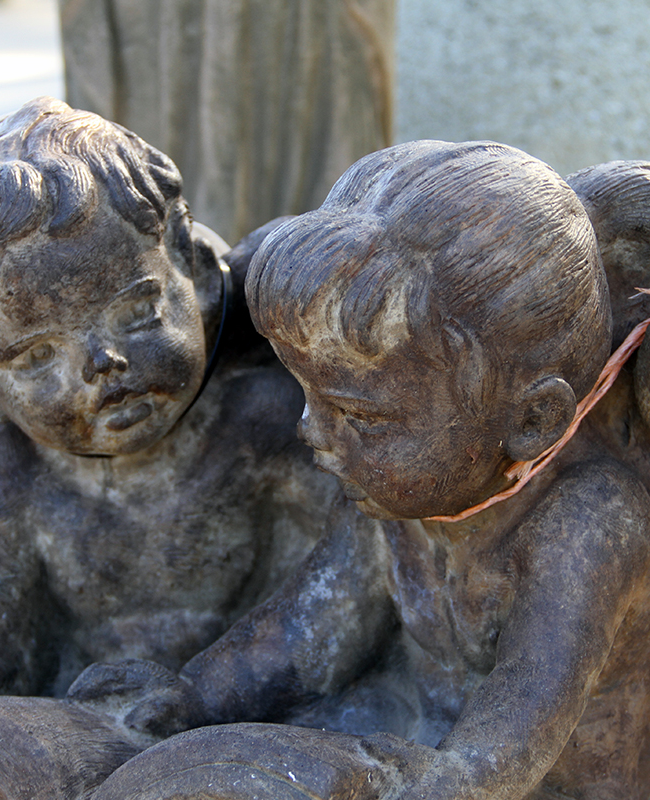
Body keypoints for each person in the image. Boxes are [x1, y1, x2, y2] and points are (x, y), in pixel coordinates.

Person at [89, 141, 650, 800]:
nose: (311, 431)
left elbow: (528, 704)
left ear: (532, 420)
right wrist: (190, 697)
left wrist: (456, 775)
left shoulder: (588, 521)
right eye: (309, 395)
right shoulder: (395, 502)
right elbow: (307, 634)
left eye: (362, 416)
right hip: (414, 739)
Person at [0, 96, 332, 723]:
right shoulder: (9, 482)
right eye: (37, 356)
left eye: (137, 313)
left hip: (272, 724)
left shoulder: (267, 427)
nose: (102, 362)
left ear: (193, 271)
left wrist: (209, 696)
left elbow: (366, 591)